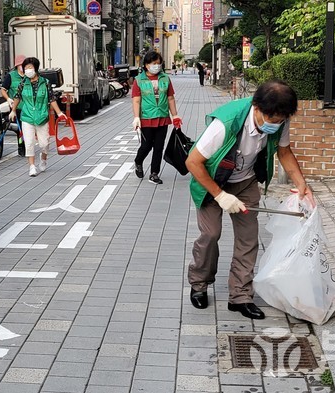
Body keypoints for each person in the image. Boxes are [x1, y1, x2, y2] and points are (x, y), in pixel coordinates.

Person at [185, 80, 316, 319]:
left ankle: (240, 296)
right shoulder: (226, 123)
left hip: (245, 181)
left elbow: (284, 152)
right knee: (210, 234)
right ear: (256, 107)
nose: (275, 125)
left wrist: (301, 185)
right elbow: (192, 162)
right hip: (212, 182)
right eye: (272, 119)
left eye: (280, 121)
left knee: (248, 239)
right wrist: (221, 195)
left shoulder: (279, 121)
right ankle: (199, 284)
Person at [9, 57, 67, 177]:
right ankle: (31, 166)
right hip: (27, 116)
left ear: (35, 68)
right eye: (25, 68)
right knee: (29, 143)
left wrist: (59, 113)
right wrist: (13, 110)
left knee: (44, 143)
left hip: (42, 116)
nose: (27, 70)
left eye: (29, 68)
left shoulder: (45, 83)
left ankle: (43, 158)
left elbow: (52, 99)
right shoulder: (22, 83)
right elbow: (17, 97)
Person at [131, 51, 181, 185]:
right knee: (146, 145)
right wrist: (136, 117)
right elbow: (136, 100)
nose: (157, 66)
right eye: (154, 63)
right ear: (146, 65)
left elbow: (170, 98)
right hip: (146, 118)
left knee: (159, 147)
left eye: (159, 63)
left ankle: (154, 173)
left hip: (162, 117)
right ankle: (138, 161)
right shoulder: (139, 80)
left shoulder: (165, 78)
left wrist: (175, 115)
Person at [1, 55, 27, 157]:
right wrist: (8, 99)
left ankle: (26, 145)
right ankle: (21, 146)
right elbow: (3, 90)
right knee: (21, 129)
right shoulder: (11, 76)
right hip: (18, 108)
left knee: (27, 128)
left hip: (29, 107)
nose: (23, 67)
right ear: (17, 66)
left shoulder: (29, 75)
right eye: (21, 65)